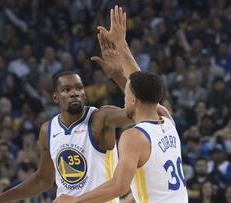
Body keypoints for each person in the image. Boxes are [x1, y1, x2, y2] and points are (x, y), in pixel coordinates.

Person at [0, 5, 145, 202]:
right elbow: (42, 180)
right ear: (55, 97)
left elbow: (142, 108)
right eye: (67, 90)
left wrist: (118, 75)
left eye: (79, 88)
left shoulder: (100, 118)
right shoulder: (47, 130)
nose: (75, 93)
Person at [54, 6, 188, 203]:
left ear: (133, 99)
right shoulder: (166, 119)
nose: (123, 97)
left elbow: (119, 186)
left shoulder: (134, 136)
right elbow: (142, 86)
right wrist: (120, 51)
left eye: (125, 94)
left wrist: (75, 201)